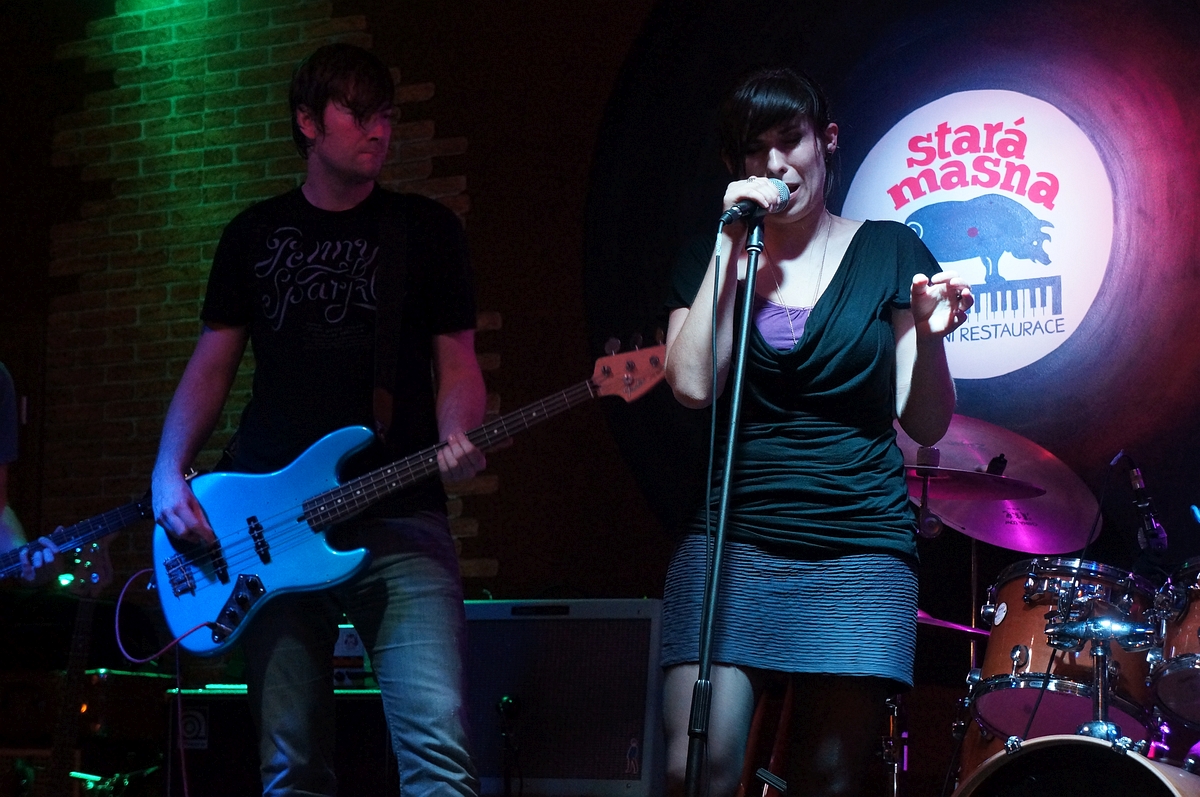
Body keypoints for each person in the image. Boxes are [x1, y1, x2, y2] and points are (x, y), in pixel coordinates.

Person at [151, 43, 486, 796]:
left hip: (400, 516)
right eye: (358, 114)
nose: (379, 130)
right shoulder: (253, 233)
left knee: (438, 755)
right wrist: (168, 471)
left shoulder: (425, 230)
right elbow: (212, 364)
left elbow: (459, 363)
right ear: (308, 121)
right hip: (270, 530)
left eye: (386, 115)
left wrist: (457, 431)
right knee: (291, 767)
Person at [660, 68, 973, 797]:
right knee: (693, 769)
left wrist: (930, 342)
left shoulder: (892, 252)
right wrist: (730, 244)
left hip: (858, 547)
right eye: (754, 150)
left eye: (789, 140)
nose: (775, 164)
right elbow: (694, 385)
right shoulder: (714, 256)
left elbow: (925, 422)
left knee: (824, 781)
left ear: (826, 140)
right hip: (735, 539)